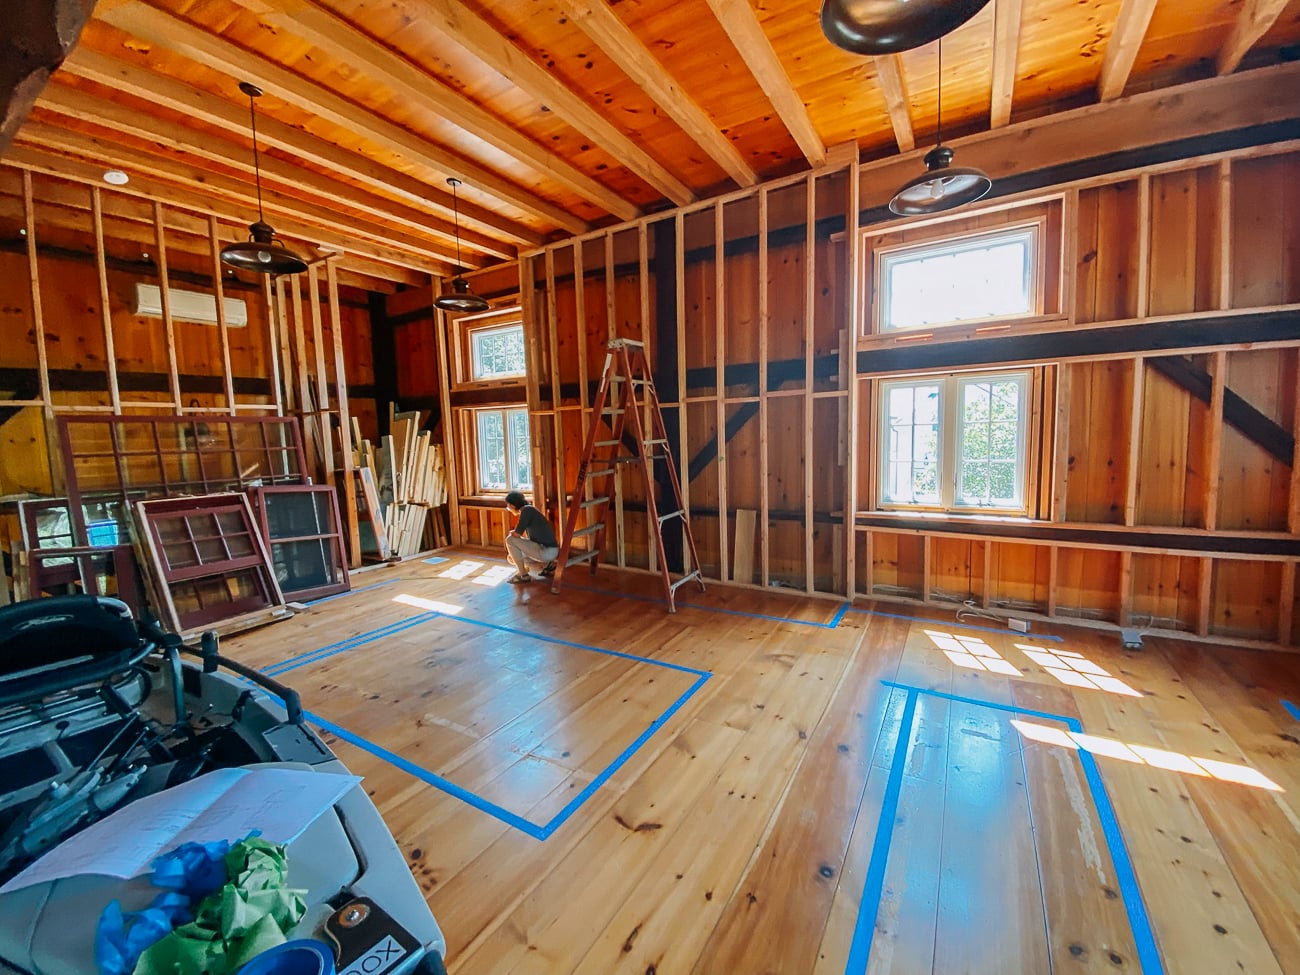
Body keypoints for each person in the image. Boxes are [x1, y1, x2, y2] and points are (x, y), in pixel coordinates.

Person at [504, 491, 558, 584]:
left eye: (508, 506)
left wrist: (513, 532)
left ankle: (523, 575)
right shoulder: (529, 509)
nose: (508, 508)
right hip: (551, 551)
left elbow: (517, 535)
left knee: (510, 540)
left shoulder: (526, 511)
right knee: (511, 557)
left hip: (546, 551)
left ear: (512, 505)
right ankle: (549, 565)